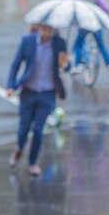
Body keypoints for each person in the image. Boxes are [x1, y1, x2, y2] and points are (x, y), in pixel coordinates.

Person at [6, 23, 68, 177]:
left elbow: (65, 66)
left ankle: (32, 163)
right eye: (45, 29)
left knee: (39, 131)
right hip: (28, 92)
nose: (47, 33)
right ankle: (19, 148)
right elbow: (16, 64)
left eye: (51, 30)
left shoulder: (59, 44)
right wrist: (11, 85)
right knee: (23, 129)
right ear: (39, 28)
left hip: (47, 94)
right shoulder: (28, 41)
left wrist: (64, 64)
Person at [69, 0, 109, 82]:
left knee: (78, 43)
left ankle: (79, 64)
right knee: (102, 45)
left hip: (83, 25)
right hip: (96, 25)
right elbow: (107, 9)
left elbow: (69, 8)